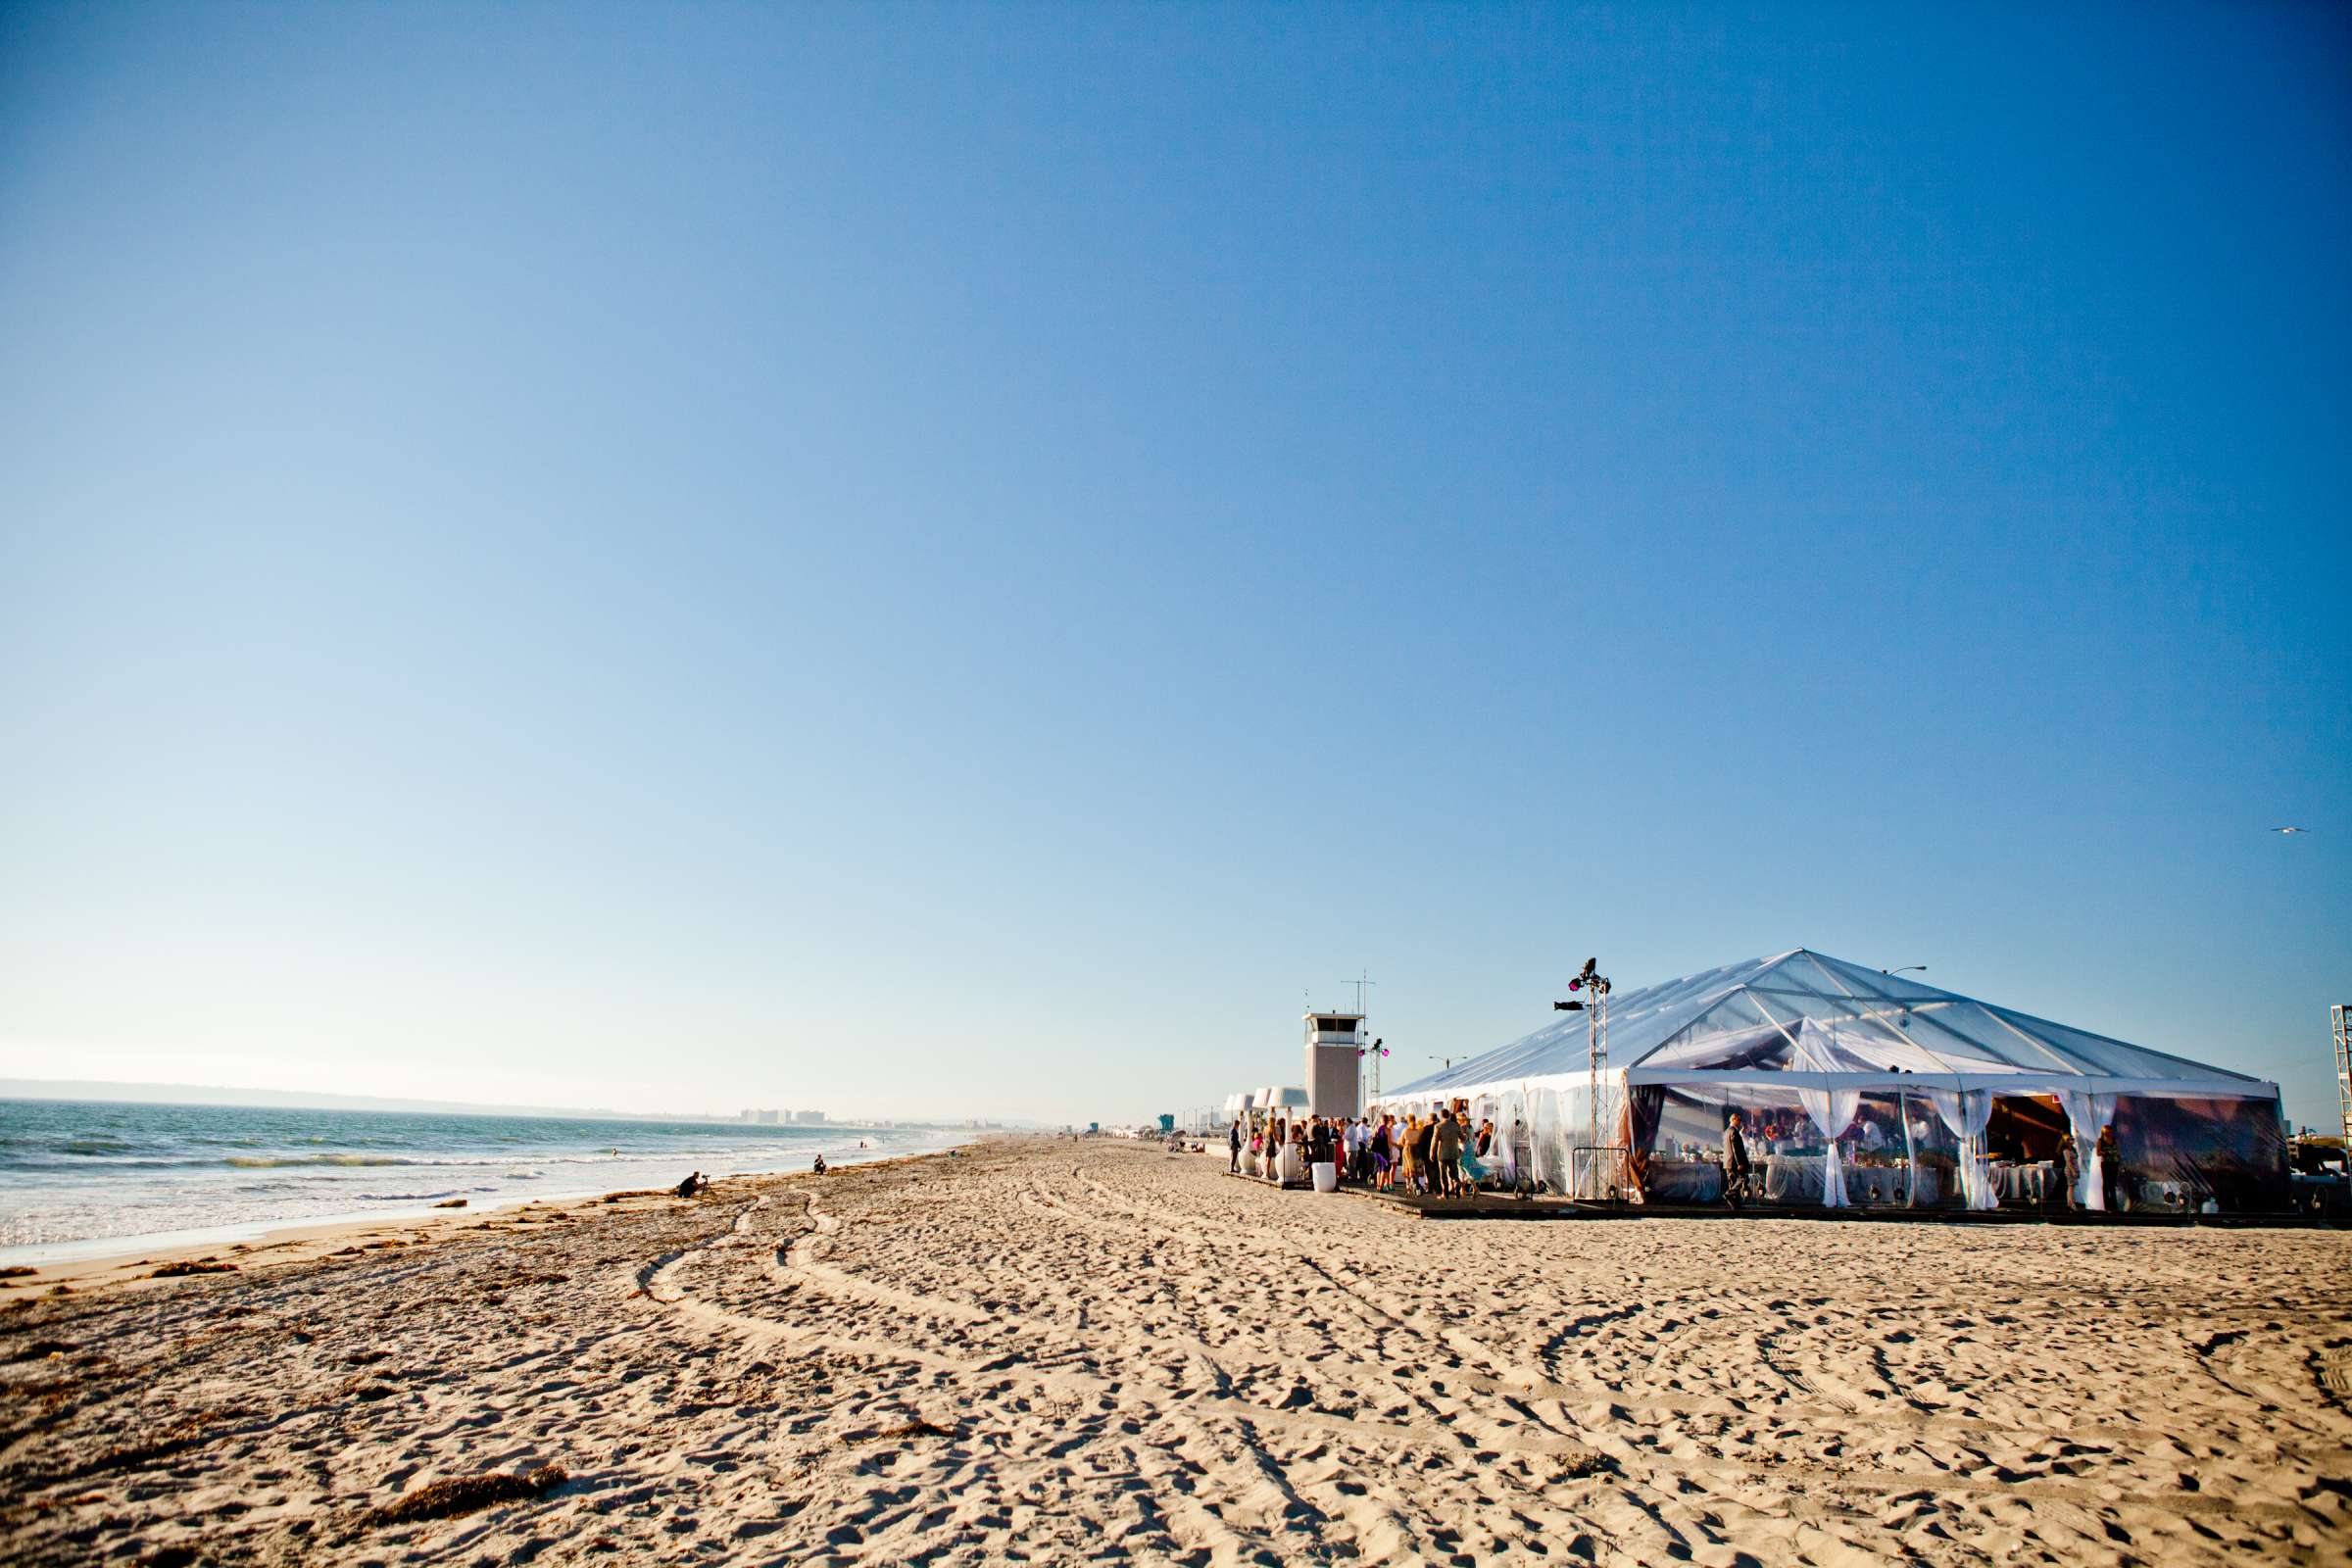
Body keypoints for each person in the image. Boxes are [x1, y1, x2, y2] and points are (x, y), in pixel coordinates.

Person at [1433, 1107, 1466, 1198]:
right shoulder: (1456, 1125)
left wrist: (1431, 1152)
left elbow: (1434, 1141)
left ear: (1441, 1115)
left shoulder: (1438, 1126)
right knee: (1454, 1173)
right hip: (1454, 1152)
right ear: (1449, 1115)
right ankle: (1456, 1184)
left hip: (1442, 1153)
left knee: (1443, 1174)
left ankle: (1445, 1193)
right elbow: (1463, 1138)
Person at [1722, 1112, 1751, 1209]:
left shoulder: (1726, 1132)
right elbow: (1735, 1149)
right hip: (1734, 1163)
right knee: (1743, 1179)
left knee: (1733, 1183)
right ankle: (1728, 1194)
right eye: (1739, 1120)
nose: (1740, 1122)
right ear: (1733, 1120)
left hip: (1728, 1162)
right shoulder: (1734, 1131)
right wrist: (1740, 1163)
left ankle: (1735, 1206)